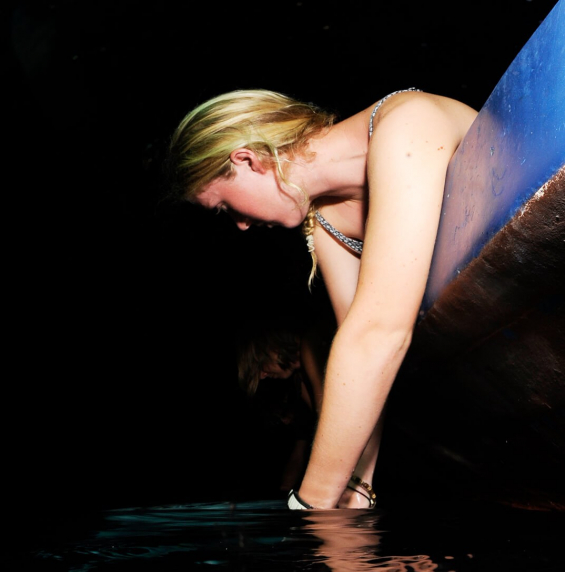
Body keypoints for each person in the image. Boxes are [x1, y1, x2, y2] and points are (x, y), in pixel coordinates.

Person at [168, 87, 477, 508]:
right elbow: (364, 361)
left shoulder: (407, 124)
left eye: (223, 206)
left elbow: (378, 334)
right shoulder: (326, 221)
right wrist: (358, 489)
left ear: (246, 160)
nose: (238, 226)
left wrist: (310, 508)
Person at [236, 322, 328, 493]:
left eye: (261, 367)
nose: (263, 376)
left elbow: (328, 419)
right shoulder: (300, 382)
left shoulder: (311, 343)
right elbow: (312, 430)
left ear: (271, 349)